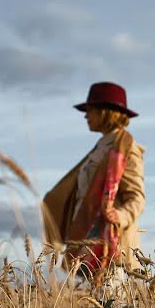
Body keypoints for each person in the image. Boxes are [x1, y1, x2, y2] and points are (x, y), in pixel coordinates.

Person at [42, 81, 146, 288]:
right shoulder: (101, 147)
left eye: (90, 109)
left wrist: (120, 216)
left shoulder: (125, 147)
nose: (85, 115)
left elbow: (137, 197)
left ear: (105, 112)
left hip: (112, 247)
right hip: (91, 244)